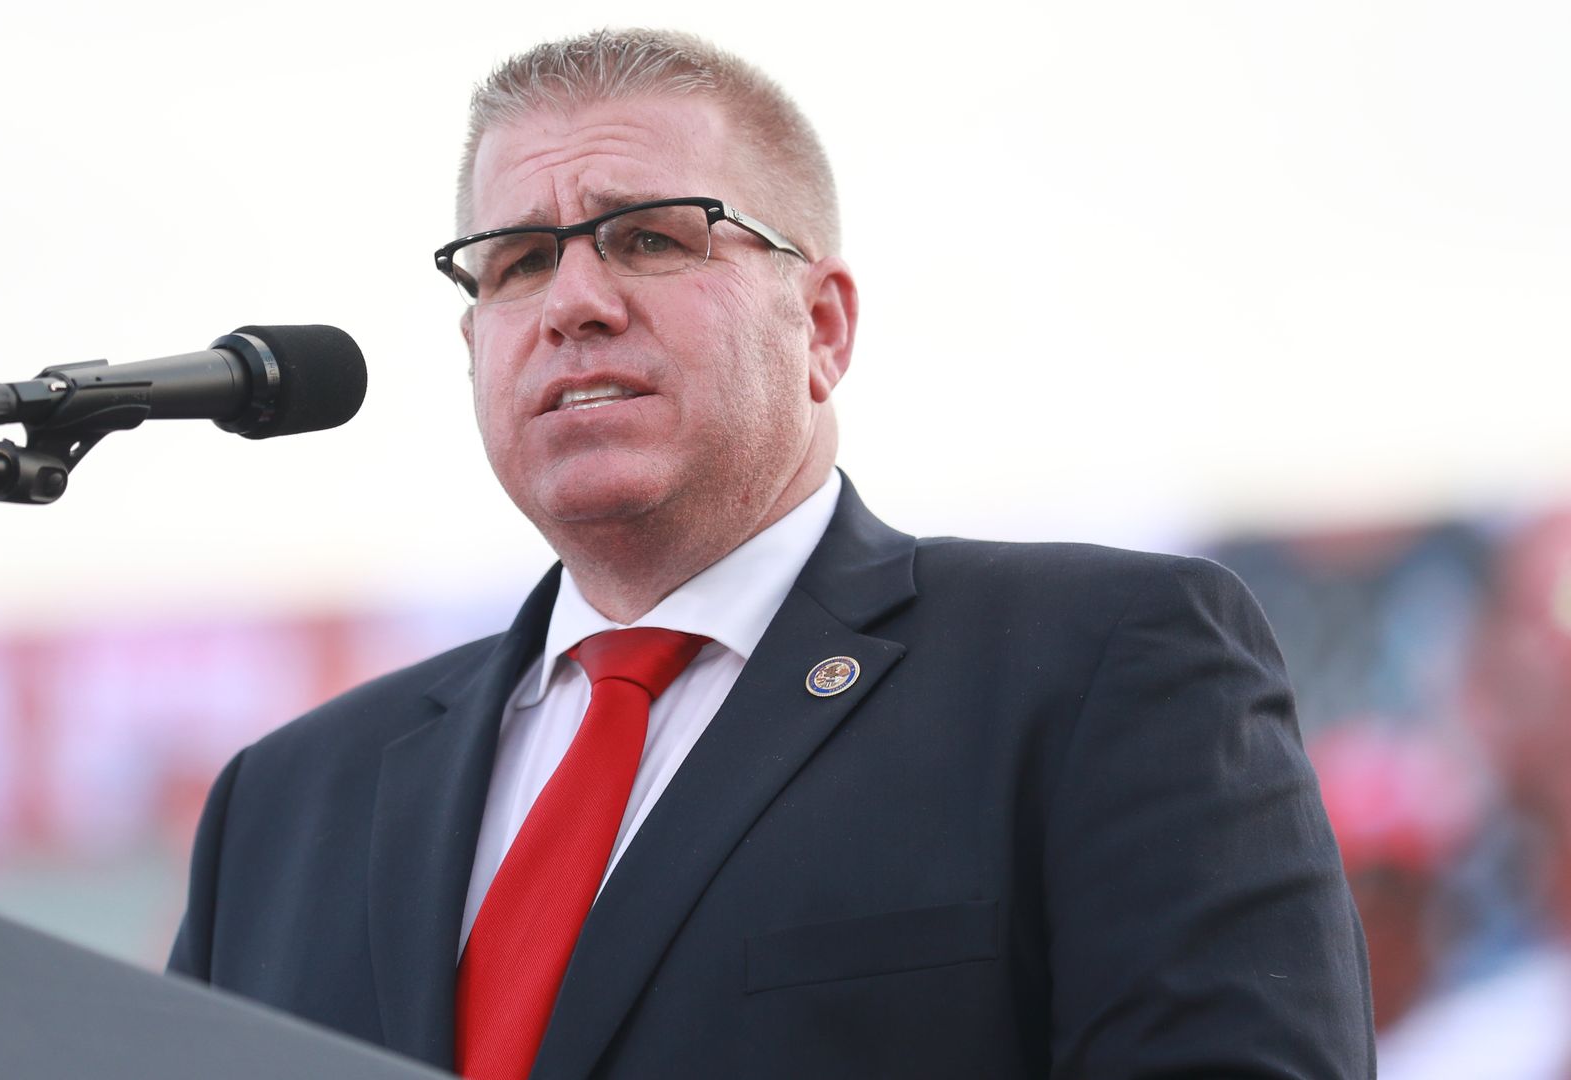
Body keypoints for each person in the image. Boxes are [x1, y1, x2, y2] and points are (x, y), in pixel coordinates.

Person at [169, 28, 1374, 1079]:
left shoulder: (1100, 664)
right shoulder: (283, 806)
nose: (572, 301)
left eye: (648, 239)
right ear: (475, 341)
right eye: (521, 260)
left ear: (824, 325)